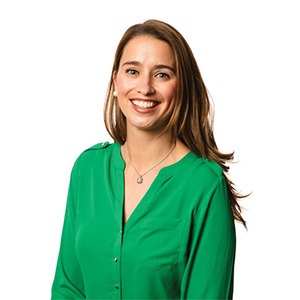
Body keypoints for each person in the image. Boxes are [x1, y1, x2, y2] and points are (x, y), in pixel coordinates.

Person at [51, 19, 247, 300]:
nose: (145, 87)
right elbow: (68, 287)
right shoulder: (88, 169)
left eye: (162, 75)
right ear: (115, 80)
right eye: (133, 71)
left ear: (182, 87)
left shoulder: (204, 184)